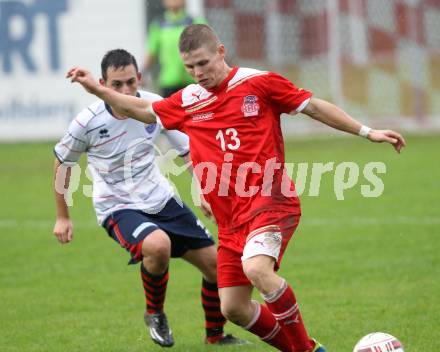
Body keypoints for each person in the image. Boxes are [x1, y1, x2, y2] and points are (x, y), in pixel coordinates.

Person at [66, 25, 406, 352]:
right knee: (233, 307)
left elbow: (313, 106)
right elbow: (140, 109)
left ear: (221, 52)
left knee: (257, 269)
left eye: (203, 63)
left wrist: (366, 131)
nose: (198, 72)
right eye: (190, 67)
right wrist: (97, 91)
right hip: (230, 221)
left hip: (270, 201)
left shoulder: (258, 83)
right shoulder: (188, 100)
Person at [53, 48, 247, 348]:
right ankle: (154, 313)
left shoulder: (155, 106)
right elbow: (62, 163)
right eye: (116, 85)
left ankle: (216, 337)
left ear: (139, 78)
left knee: (216, 265)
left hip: (161, 198)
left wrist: (203, 189)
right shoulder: (86, 122)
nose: (125, 90)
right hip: (117, 205)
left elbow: (187, 152)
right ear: (103, 84)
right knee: (158, 245)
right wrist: (63, 216)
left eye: (130, 82)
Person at [142, 0, 206, 97]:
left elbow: (208, 49)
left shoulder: (196, 22)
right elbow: (152, 53)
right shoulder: (158, 25)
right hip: (168, 82)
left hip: (193, 79)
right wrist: (142, 73)